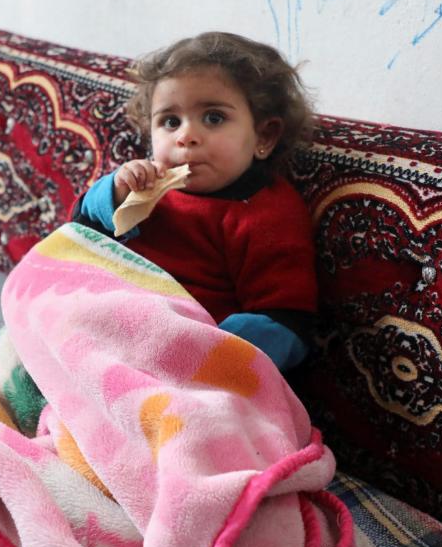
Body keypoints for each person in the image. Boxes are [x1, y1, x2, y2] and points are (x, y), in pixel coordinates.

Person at [73, 31, 317, 373]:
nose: (185, 136)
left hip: (194, 361)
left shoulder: (267, 213)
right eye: (170, 121)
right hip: (106, 331)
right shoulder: (145, 184)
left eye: (214, 118)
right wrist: (115, 192)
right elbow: (79, 237)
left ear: (264, 136)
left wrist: (203, 355)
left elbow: (287, 323)